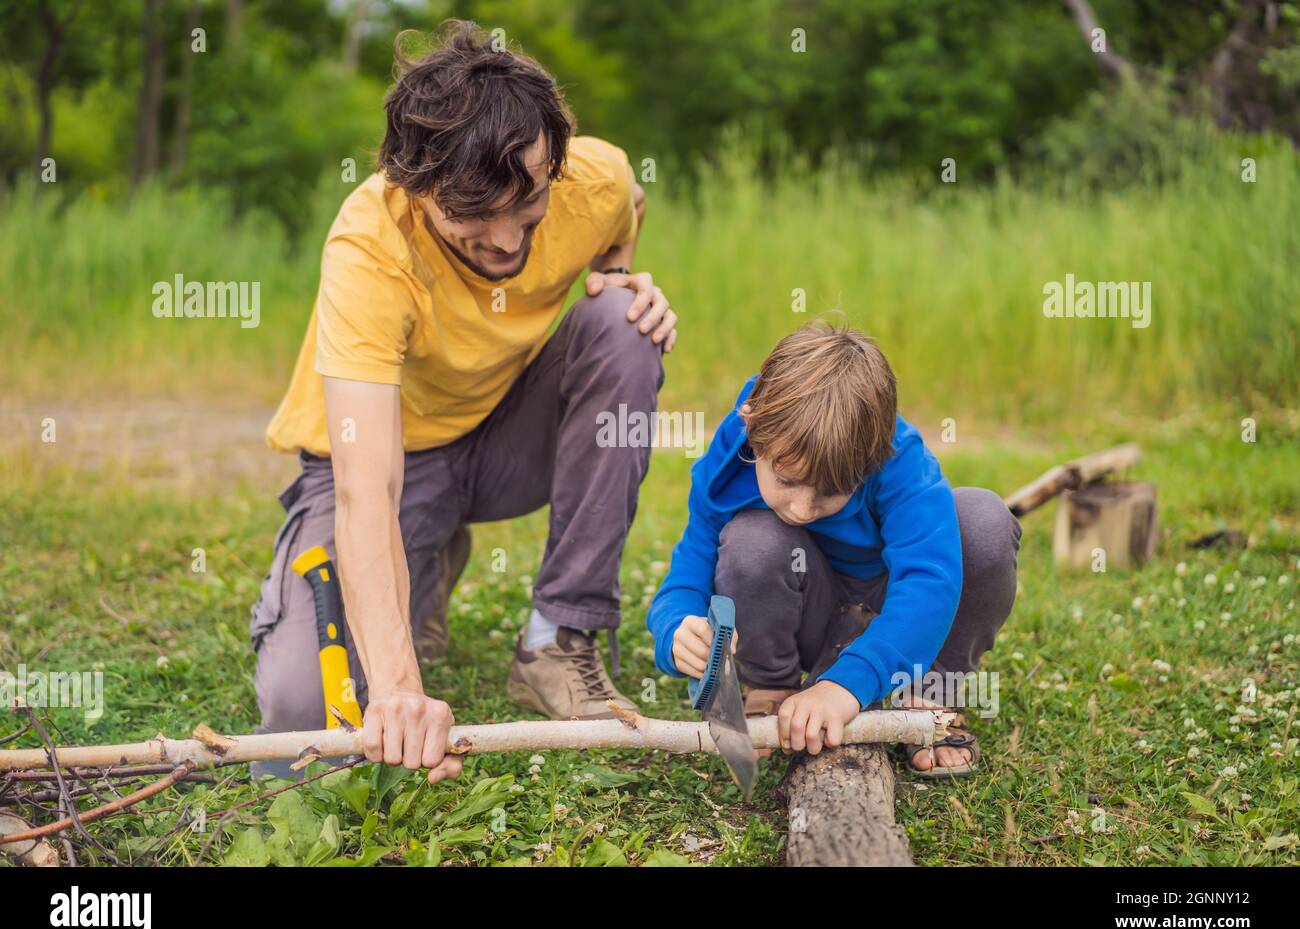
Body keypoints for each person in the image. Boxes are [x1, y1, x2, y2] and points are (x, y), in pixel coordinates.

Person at [249, 21, 678, 781]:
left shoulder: (592, 177)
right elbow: (365, 491)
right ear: (415, 189)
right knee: (304, 717)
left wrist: (616, 276)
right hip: (395, 465)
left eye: (528, 208)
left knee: (622, 326)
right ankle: (430, 554)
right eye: (474, 218)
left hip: (504, 433)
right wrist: (400, 693)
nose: (508, 241)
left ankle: (559, 638)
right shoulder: (369, 247)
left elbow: (627, 204)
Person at [648, 323, 1021, 776]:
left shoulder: (898, 457)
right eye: (786, 481)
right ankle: (773, 688)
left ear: (875, 456)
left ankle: (930, 695)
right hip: (813, 618)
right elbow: (684, 580)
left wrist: (846, 686)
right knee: (752, 541)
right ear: (752, 426)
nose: (803, 508)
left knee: (983, 520)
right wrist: (676, 631)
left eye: (830, 492)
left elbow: (928, 583)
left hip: (895, 617)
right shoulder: (730, 459)